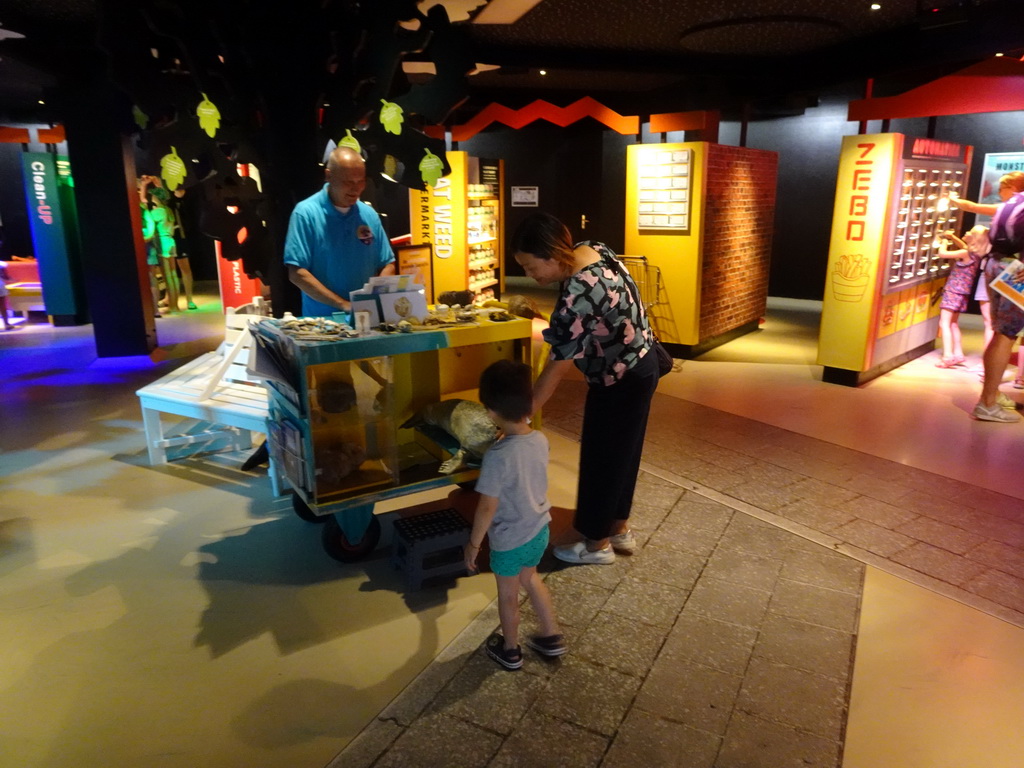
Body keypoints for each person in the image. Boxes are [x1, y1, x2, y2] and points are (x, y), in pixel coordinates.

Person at [512, 212, 659, 565]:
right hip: (642, 362)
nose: (531, 276)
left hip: (619, 377)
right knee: (624, 454)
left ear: (552, 254)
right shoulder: (592, 249)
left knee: (601, 458)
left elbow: (555, 369)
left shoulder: (578, 292)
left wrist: (521, 417)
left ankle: (595, 545)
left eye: (532, 267)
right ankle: (619, 527)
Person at [464, 359, 565, 670]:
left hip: (509, 539)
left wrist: (473, 544)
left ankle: (510, 651)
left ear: (491, 412)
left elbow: (486, 506)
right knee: (531, 579)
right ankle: (551, 636)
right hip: (538, 529)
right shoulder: (540, 439)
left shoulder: (497, 457)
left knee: (508, 597)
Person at [283, 146, 396, 317]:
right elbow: (297, 273)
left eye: (361, 182)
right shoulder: (305, 213)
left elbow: (387, 263)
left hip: (367, 320)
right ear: (329, 176)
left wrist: (375, 297)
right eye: (348, 182)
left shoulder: (369, 215)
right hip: (322, 326)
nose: (356, 189)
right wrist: (344, 305)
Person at [951, 171, 1024, 422]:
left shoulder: (1012, 201)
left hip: (996, 266)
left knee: (1000, 333)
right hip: (1017, 271)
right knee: (1006, 335)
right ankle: (987, 403)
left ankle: (990, 394)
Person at [934, 226, 988, 368]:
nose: (966, 232)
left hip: (953, 290)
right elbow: (964, 246)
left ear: (974, 239)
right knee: (953, 323)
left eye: (969, 232)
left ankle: (947, 356)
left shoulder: (965, 252)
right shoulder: (975, 253)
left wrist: (944, 241)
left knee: (944, 323)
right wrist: (953, 238)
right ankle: (958, 354)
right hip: (963, 292)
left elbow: (943, 254)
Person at [0, 259, 14, 331]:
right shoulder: (1, 264)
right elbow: (5, 276)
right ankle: (6, 324)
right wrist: (13, 280)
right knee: (2, 306)